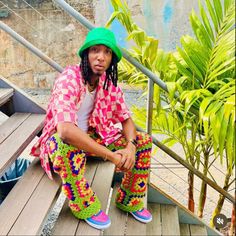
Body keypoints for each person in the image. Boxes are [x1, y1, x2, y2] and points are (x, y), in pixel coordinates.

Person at [31, 27, 153, 230]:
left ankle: (129, 199)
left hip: (92, 138)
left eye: (107, 52)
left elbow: (126, 119)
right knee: (64, 145)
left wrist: (130, 147)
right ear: (86, 54)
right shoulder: (69, 78)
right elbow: (65, 131)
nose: (100, 57)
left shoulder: (108, 84)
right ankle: (83, 204)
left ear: (112, 59)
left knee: (143, 141)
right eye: (95, 50)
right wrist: (112, 156)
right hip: (60, 143)